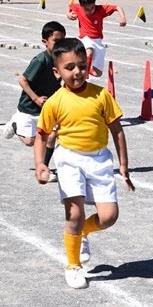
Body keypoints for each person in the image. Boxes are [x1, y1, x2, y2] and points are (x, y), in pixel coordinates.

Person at [34, 38, 134, 289]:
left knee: (109, 217)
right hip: (69, 159)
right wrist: (40, 164)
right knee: (74, 214)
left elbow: (117, 130)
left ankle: (84, 232)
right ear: (57, 72)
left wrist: (123, 165)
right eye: (69, 68)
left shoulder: (101, 95)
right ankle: (73, 265)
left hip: (99, 159)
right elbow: (42, 135)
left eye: (82, 66)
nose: (77, 72)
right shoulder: (55, 102)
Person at [4, 22, 66, 180]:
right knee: (30, 141)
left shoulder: (61, 59)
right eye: (56, 41)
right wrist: (36, 98)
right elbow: (22, 80)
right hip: (29, 107)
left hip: (47, 107)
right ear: (45, 42)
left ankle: (44, 168)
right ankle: (15, 125)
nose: (60, 45)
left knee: (51, 136)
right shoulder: (40, 60)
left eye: (62, 41)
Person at [66, 0, 126, 78]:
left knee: (97, 73)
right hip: (85, 38)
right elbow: (70, 6)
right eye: (86, 9)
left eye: (92, 7)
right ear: (81, 6)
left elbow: (117, 7)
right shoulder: (78, 8)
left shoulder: (101, 9)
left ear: (95, 2)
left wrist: (123, 18)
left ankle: (85, 68)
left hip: (98, 41)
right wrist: (68, 14)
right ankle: (84, 73)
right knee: (89, 51)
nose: (90, 11)